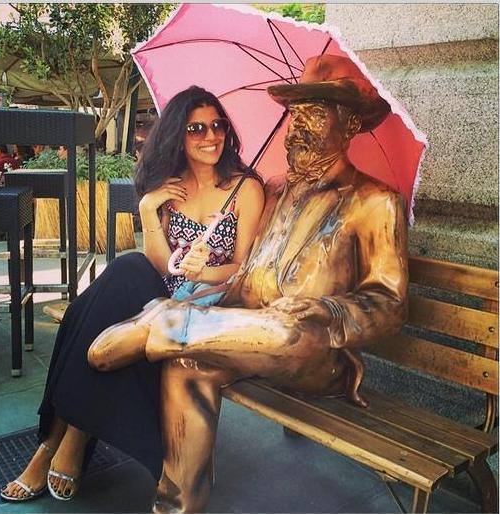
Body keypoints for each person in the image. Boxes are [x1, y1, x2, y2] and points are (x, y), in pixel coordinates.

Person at [89, 55, 409, 513]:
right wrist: (204, 282)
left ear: (351, 124)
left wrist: (329, 310)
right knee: (186, 364)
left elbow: (390, 302)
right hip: (246, 329)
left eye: (315, 114)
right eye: (295, 114)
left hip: (315, 352)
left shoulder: (374, 201)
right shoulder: (274, 190)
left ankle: (162, 322)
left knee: (289, 330)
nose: (298, 126)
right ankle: (177, 504)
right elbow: (245, 269)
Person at [0, 86, 265, 503]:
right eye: (196, 128)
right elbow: (159, 265)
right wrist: (147, 210)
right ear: (177, 135)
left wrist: (204, 269)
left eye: (217, 125)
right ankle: (62, 439)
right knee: (120, 280)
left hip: (205, 304)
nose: (211, 136)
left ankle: (65, 437)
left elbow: (245, 270)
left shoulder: (244, 189)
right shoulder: (171, 186)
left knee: (106, 299)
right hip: (162, 292)